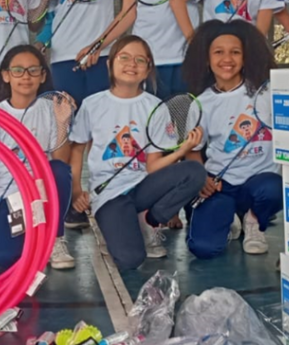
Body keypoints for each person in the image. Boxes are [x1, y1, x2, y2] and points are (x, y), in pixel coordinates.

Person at [69, 35, 206, 271]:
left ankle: (150, 220)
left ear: (148, 69)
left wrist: (182, 151)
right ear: (110, 63)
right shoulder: (92, 104)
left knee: (194, 171)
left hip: (144, 186)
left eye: (140, 60)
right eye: (124, 57)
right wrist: (76, 191)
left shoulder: (156, 107)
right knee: (130, 259)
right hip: (109, 193)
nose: (132, 64)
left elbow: (152, 166)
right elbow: (77, 149)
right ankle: (115, 223)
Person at [0, 45, 75, 271]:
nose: (26, 76)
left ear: (42, 76)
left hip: (41, 194)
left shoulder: (51, 109)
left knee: (58, 170)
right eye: (18, 70)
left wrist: (62, 123)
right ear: (6, 75)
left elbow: (61, 161)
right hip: (10, 198)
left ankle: (55, 237)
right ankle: (29, 237)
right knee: (3, 260)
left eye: (33, 70)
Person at [183, 20, 280, 258]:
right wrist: (202, 177)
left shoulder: (267, 92)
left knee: (274, 188)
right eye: (218, 52)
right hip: (221, 185)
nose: (227, 59)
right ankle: (229, 219)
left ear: (245, 58)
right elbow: (192, 149)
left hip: (260, 183)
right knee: (203, 248)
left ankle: (254, 221)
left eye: (235, 52)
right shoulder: (201, 102)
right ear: (207, 59)